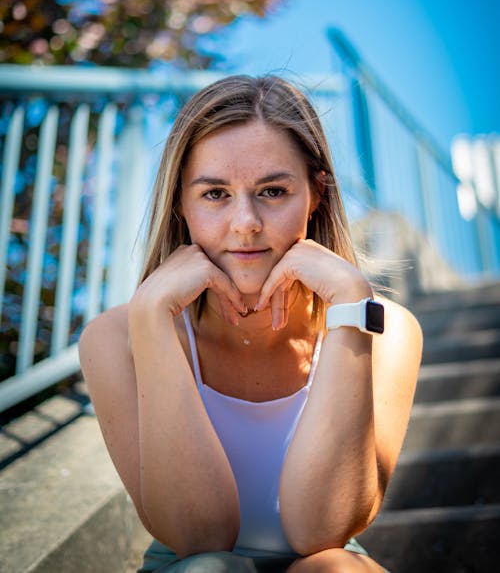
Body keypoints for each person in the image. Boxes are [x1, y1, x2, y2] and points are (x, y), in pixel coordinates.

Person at [79, 75, 422, 573]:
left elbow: (322, 531)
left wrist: (350, 304)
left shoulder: (386, 329)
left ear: (315, 195)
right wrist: (152, 318)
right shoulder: (113, 339)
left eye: (273, 191)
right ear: (180, 203)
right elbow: (200, 538)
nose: (245, 223)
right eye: (216, 194)